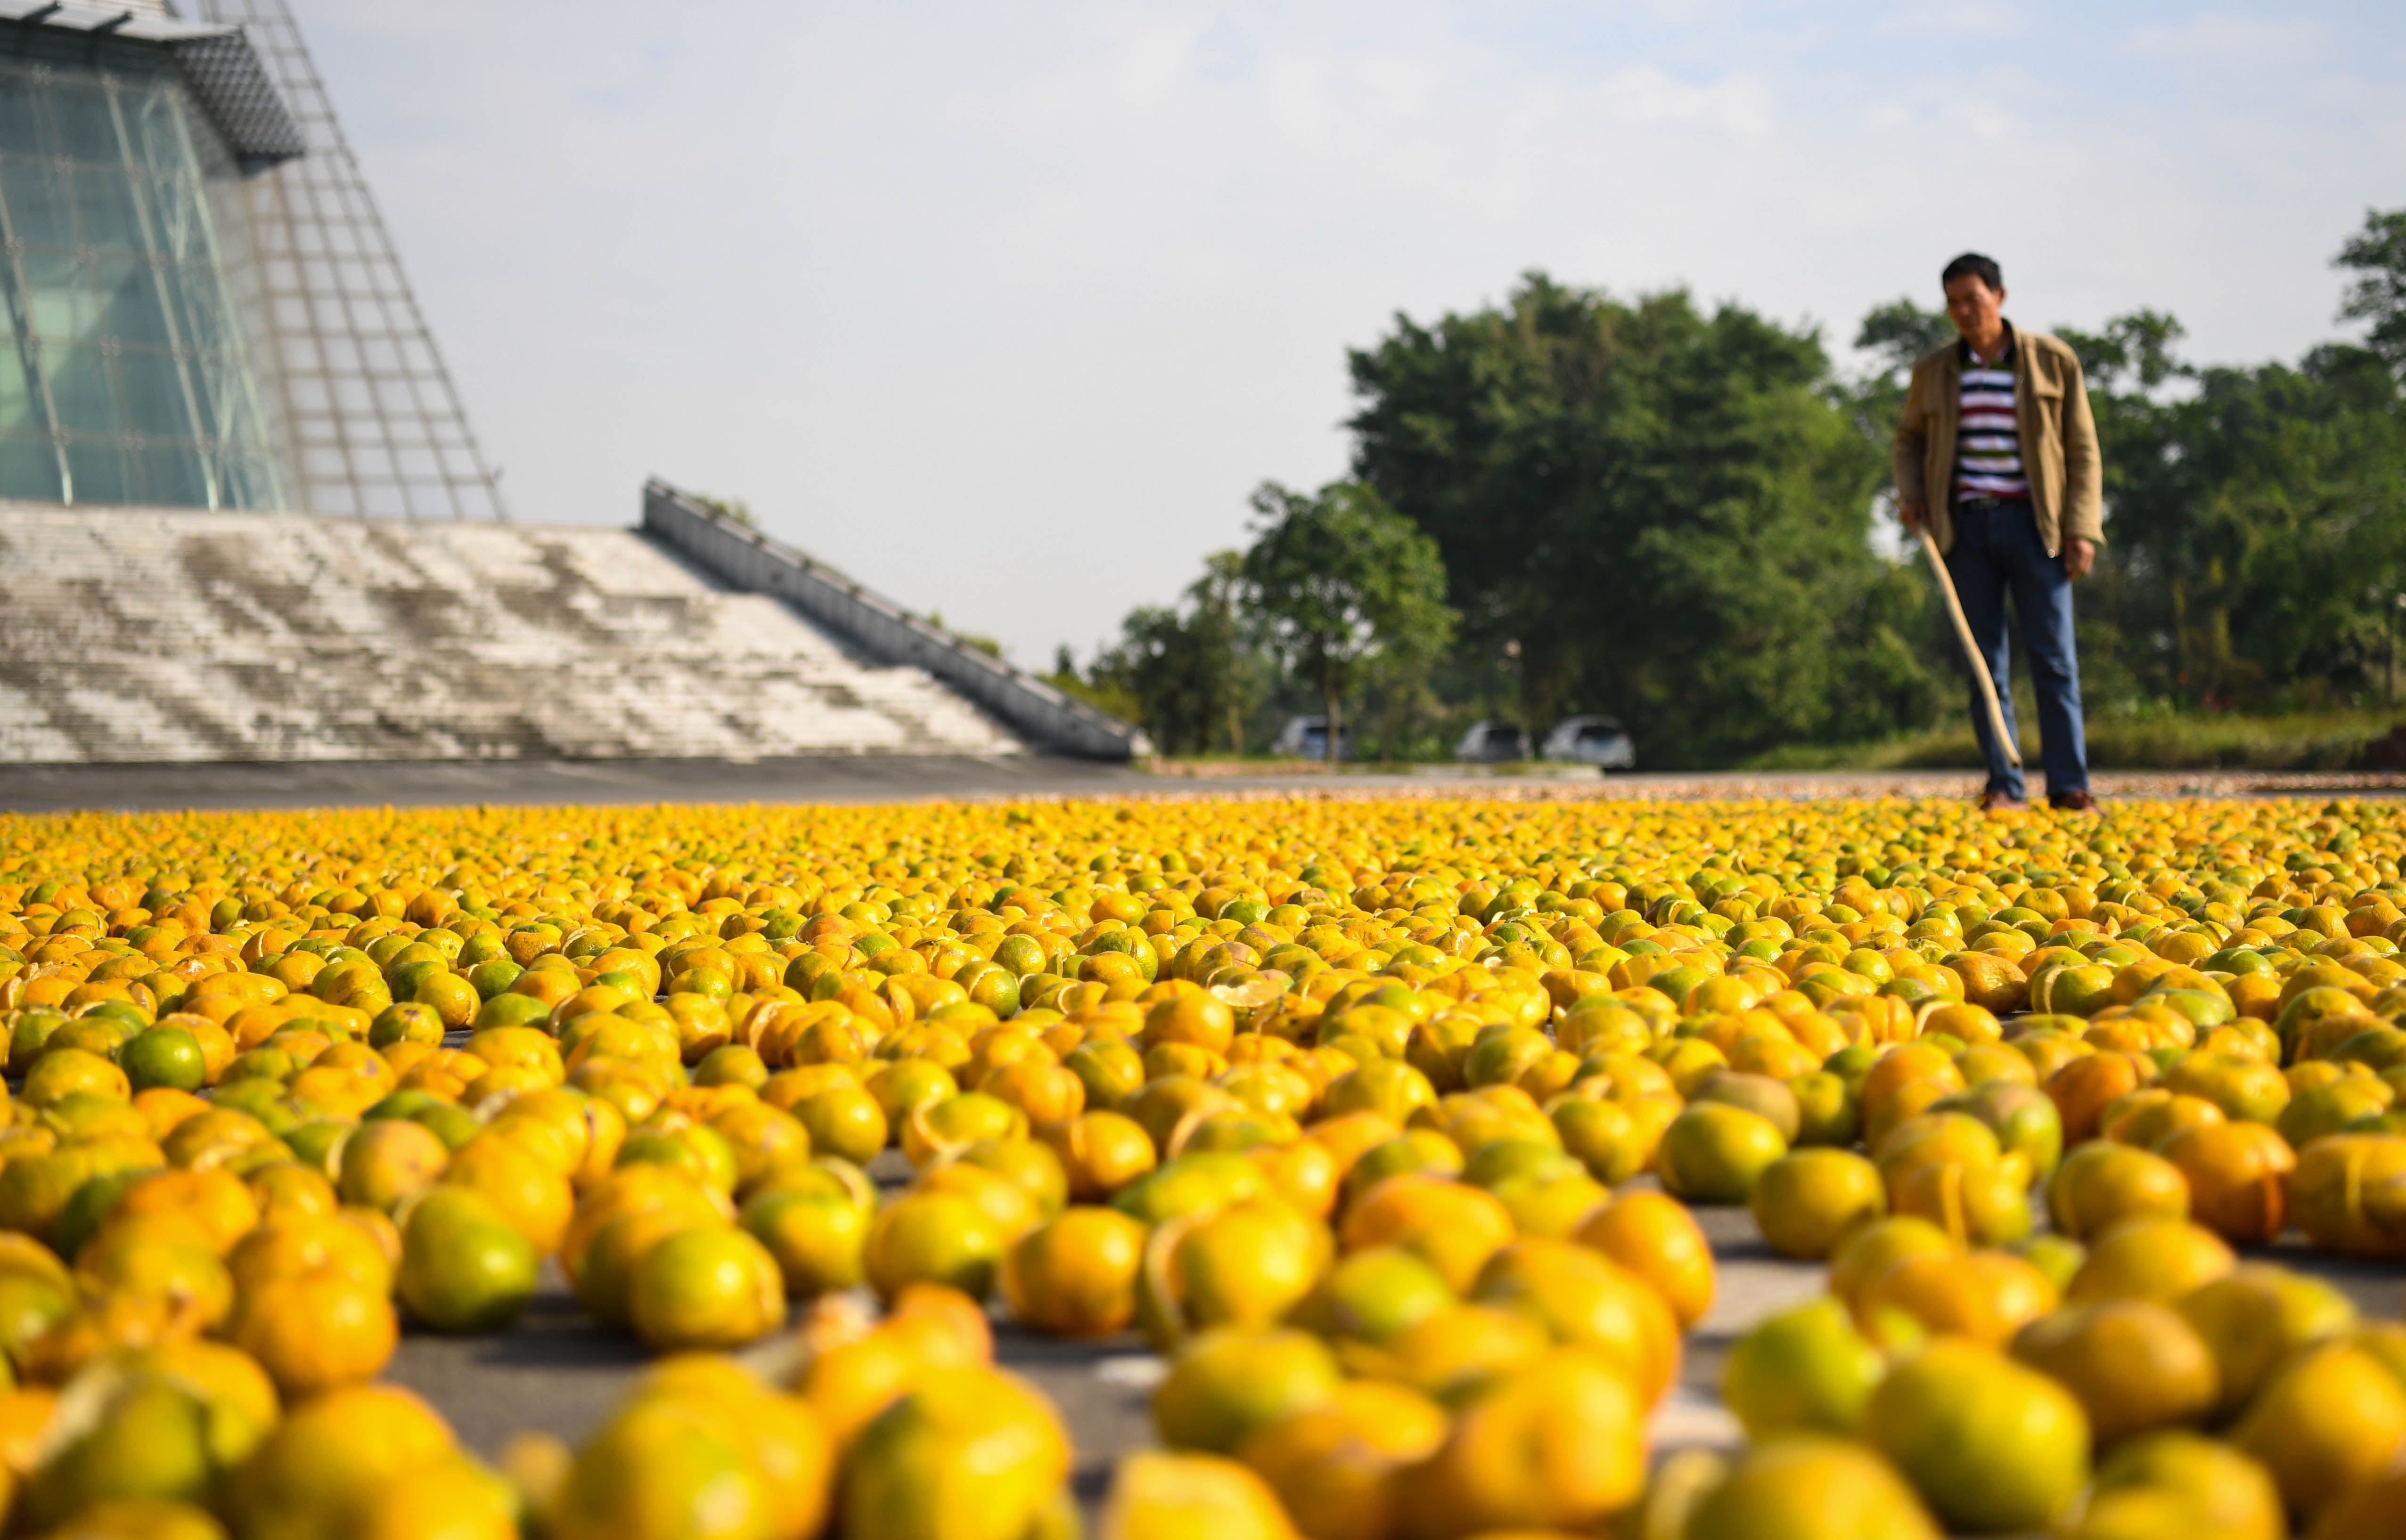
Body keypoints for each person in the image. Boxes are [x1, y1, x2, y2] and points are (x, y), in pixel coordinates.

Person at [1895, 252, 2103, 812]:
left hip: (2039, 527)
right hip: (1963, 527)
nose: (1964, 311)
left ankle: (2069, 785)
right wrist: (1912, 493)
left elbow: (2083, 449)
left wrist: (2083, 528)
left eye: (1974, 300)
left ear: (2000, 297)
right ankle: (2004, 784)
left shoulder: (2052, 361)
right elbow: (1909, 439)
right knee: (1983, 664)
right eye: (1954, 303)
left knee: (2054, 659)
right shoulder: (1936, 370)